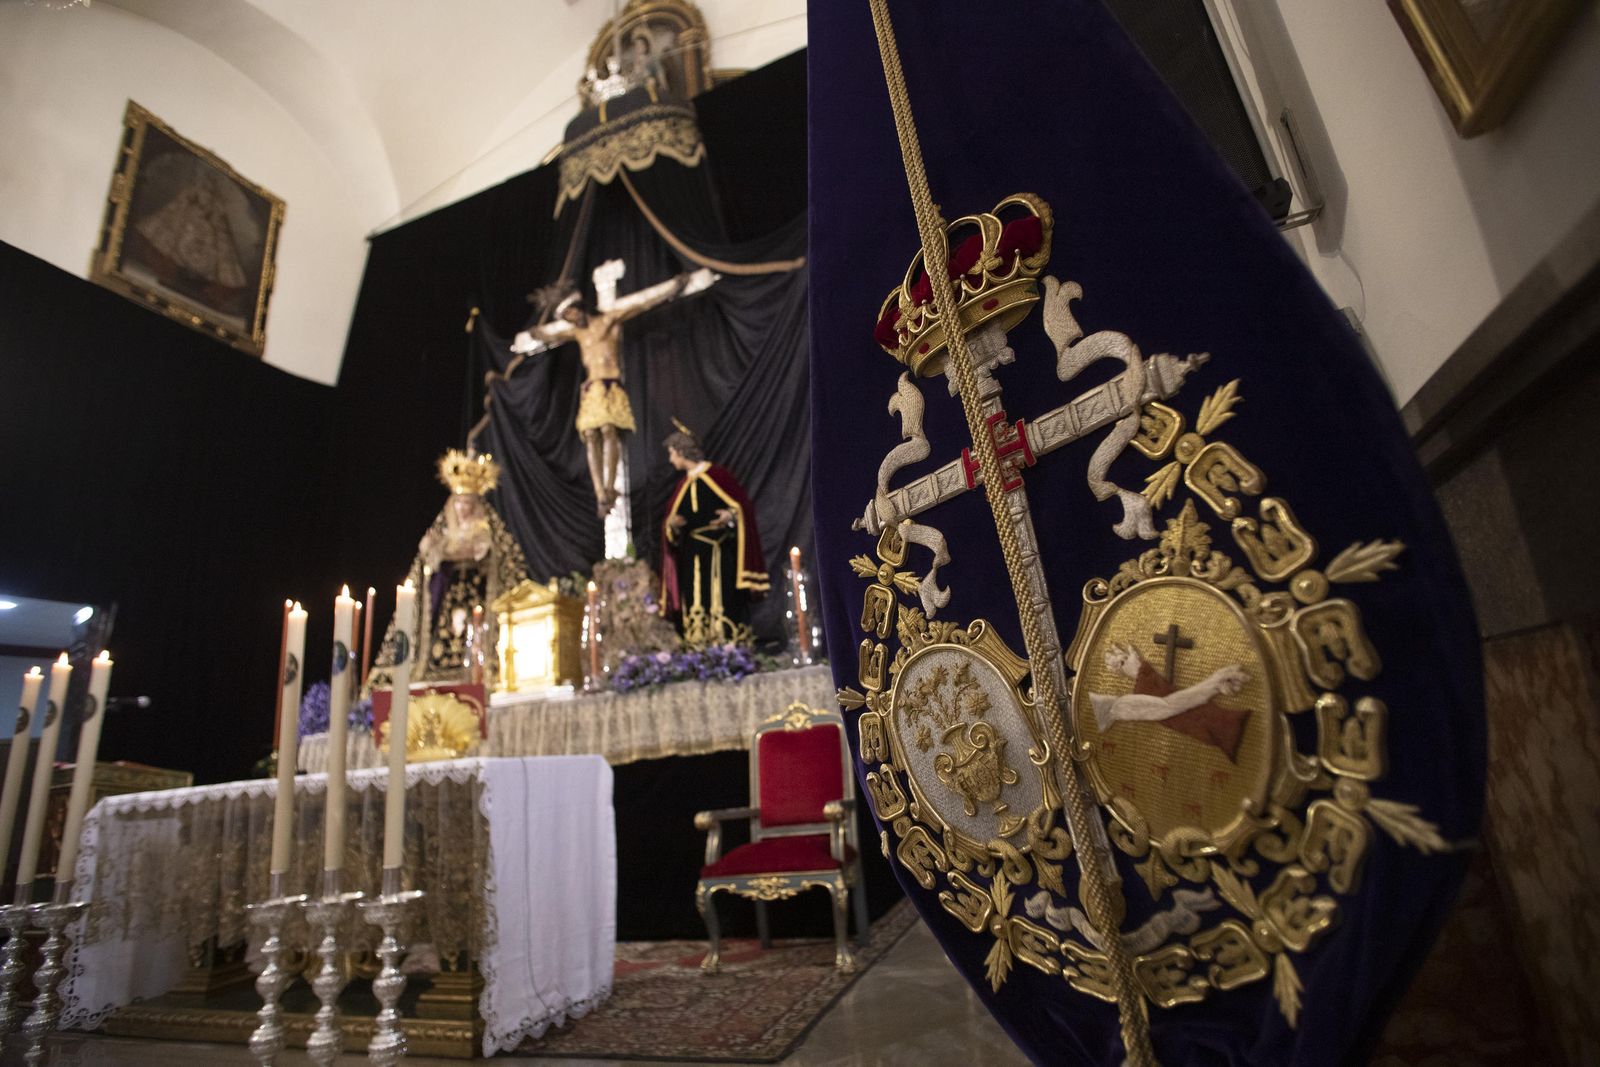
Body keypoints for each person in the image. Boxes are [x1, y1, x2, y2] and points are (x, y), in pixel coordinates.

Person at [512, 268, 716, 516]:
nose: (570, 319)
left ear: (579, 306)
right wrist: (536, 333)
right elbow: (546, 334)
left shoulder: (607, 320)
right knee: (590, 435)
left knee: (609, 431)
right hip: (591, 388)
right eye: (565, 316)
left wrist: (673, 288)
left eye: (571, 312)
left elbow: (643, 304)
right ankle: (600, 493)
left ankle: (610, 487)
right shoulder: (575, 332)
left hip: (611, 385)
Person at [659, 427, 767, 648]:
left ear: (681, 451)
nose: (671, 460)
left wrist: (730, 515)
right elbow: (671, 528)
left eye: (672, 453)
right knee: (696, 598)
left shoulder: (718, 476)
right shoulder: (682, 485)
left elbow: (742, 508)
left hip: (719, 551)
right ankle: (700, 646)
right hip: (692, 554)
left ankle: (729, 645)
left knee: (723, 596)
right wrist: (671, 526)